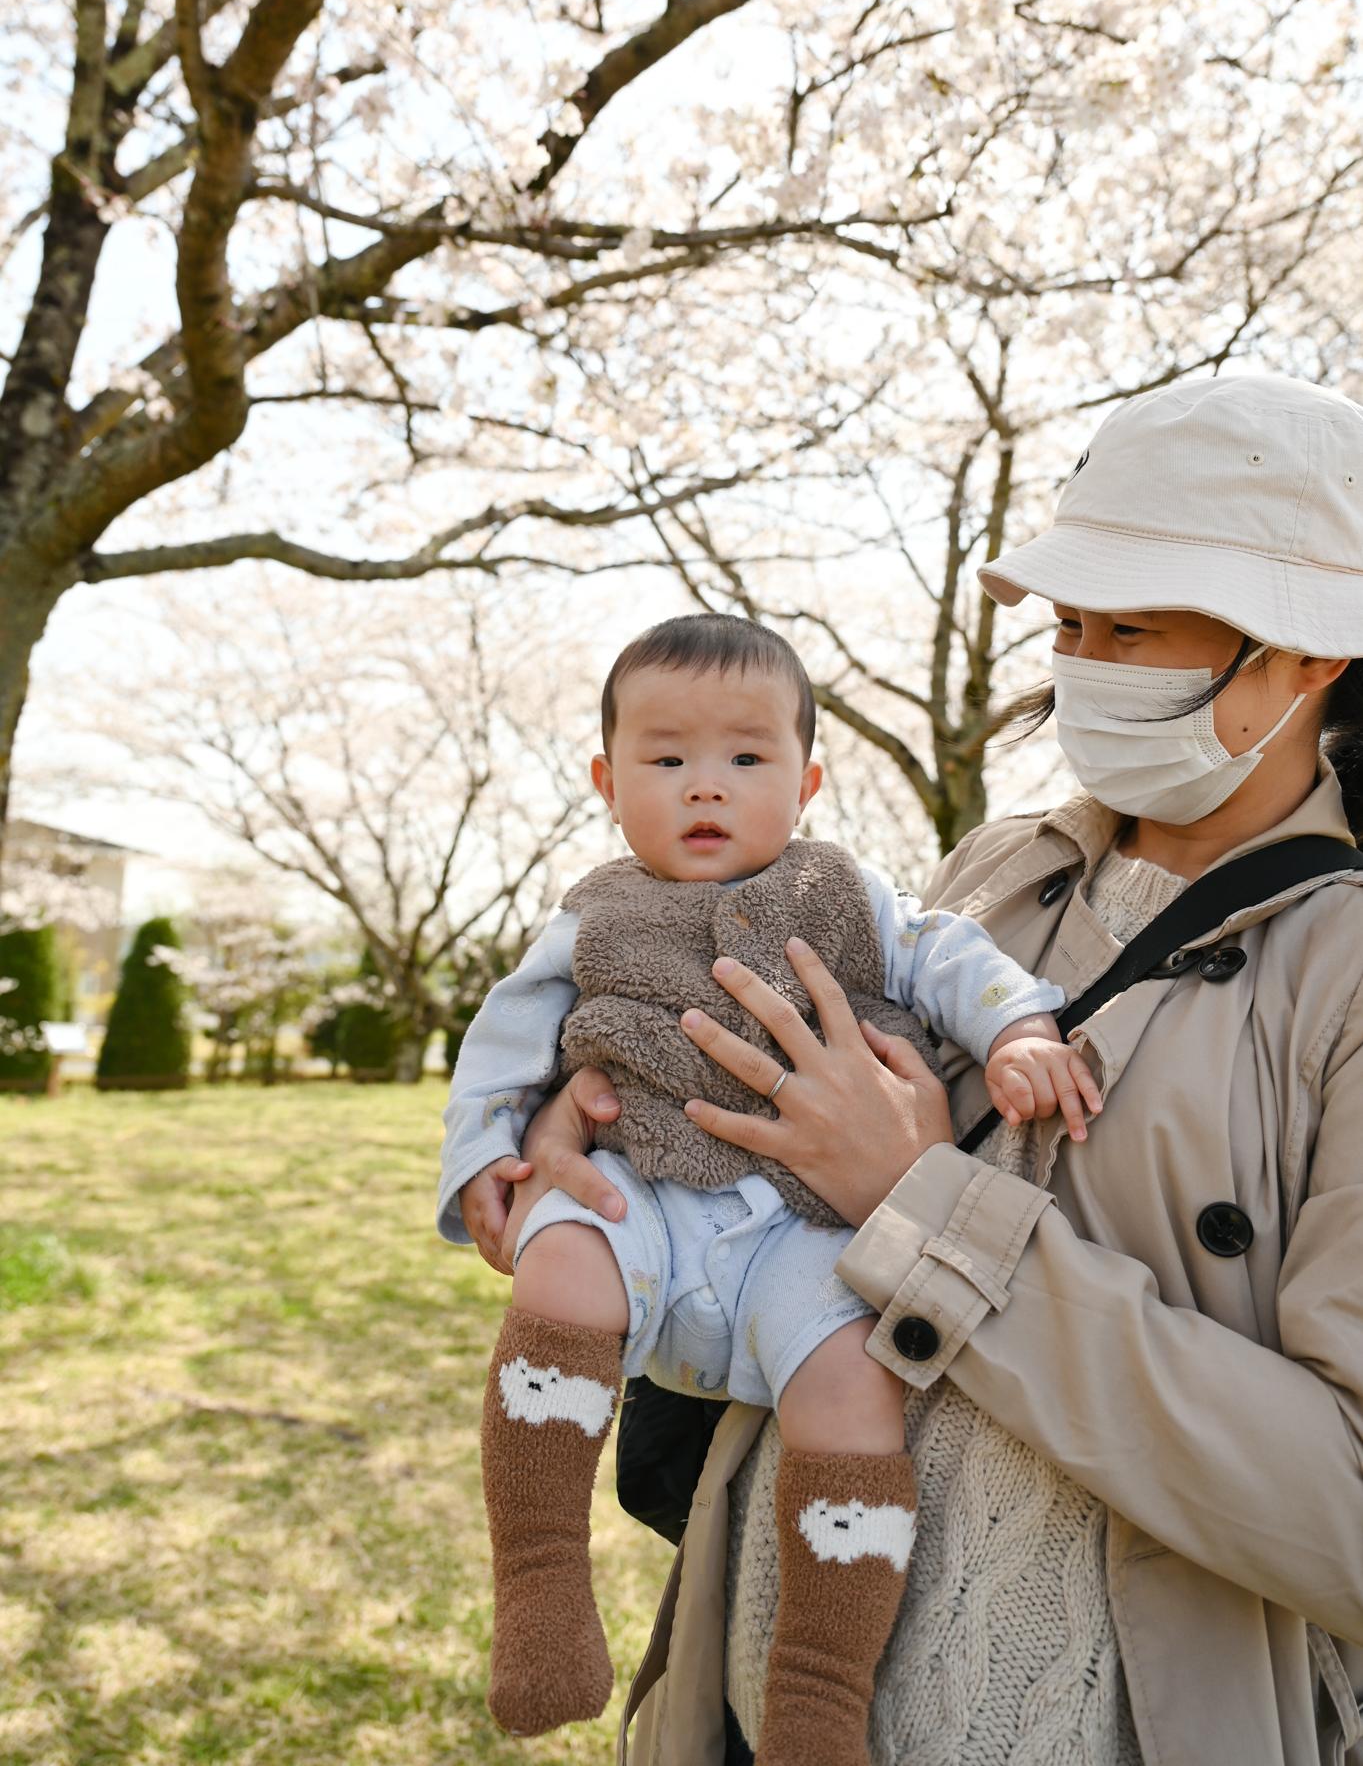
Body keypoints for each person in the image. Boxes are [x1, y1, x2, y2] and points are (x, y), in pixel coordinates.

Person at [496, 370, 1363, 1766]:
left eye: (1130, 628)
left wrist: (923, 1208)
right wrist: (580, 1118)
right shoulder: (991, 874)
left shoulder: (1342, 969)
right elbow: (761, 1109)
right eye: (1067, 622)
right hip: (766, 1676)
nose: (1079, 660)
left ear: (1306, 655)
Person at [438, 615, 1101, 1759]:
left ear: (807, 780)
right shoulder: (593, 912)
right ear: (605, 781)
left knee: (855, 1385)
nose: (706, 784)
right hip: (639, 1190)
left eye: (746, 757)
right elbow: (505, 1038)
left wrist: (1017, 1031)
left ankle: (816, 1690)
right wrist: (487, 1157)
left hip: (804, 1226)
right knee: (561, 1256)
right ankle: (541, 1581)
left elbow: (949, 956)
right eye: (665, 757)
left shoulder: (847, 892)